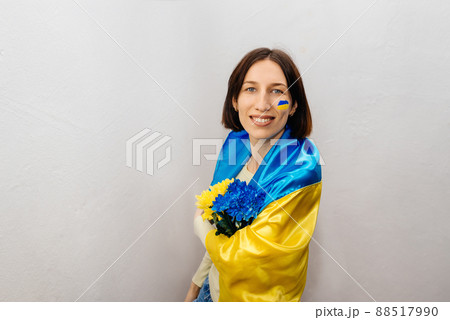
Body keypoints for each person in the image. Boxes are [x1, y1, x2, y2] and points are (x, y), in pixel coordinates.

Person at [184, 47, 322, 302]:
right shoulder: (237, 145)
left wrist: (199, 226)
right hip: (212, 292)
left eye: (277, 91)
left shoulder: (301, 169)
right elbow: (223, 228)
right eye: (250, 89)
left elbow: (245, 257)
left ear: (293, 105)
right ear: (234, 100)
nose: (262, 104)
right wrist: (195, 286)